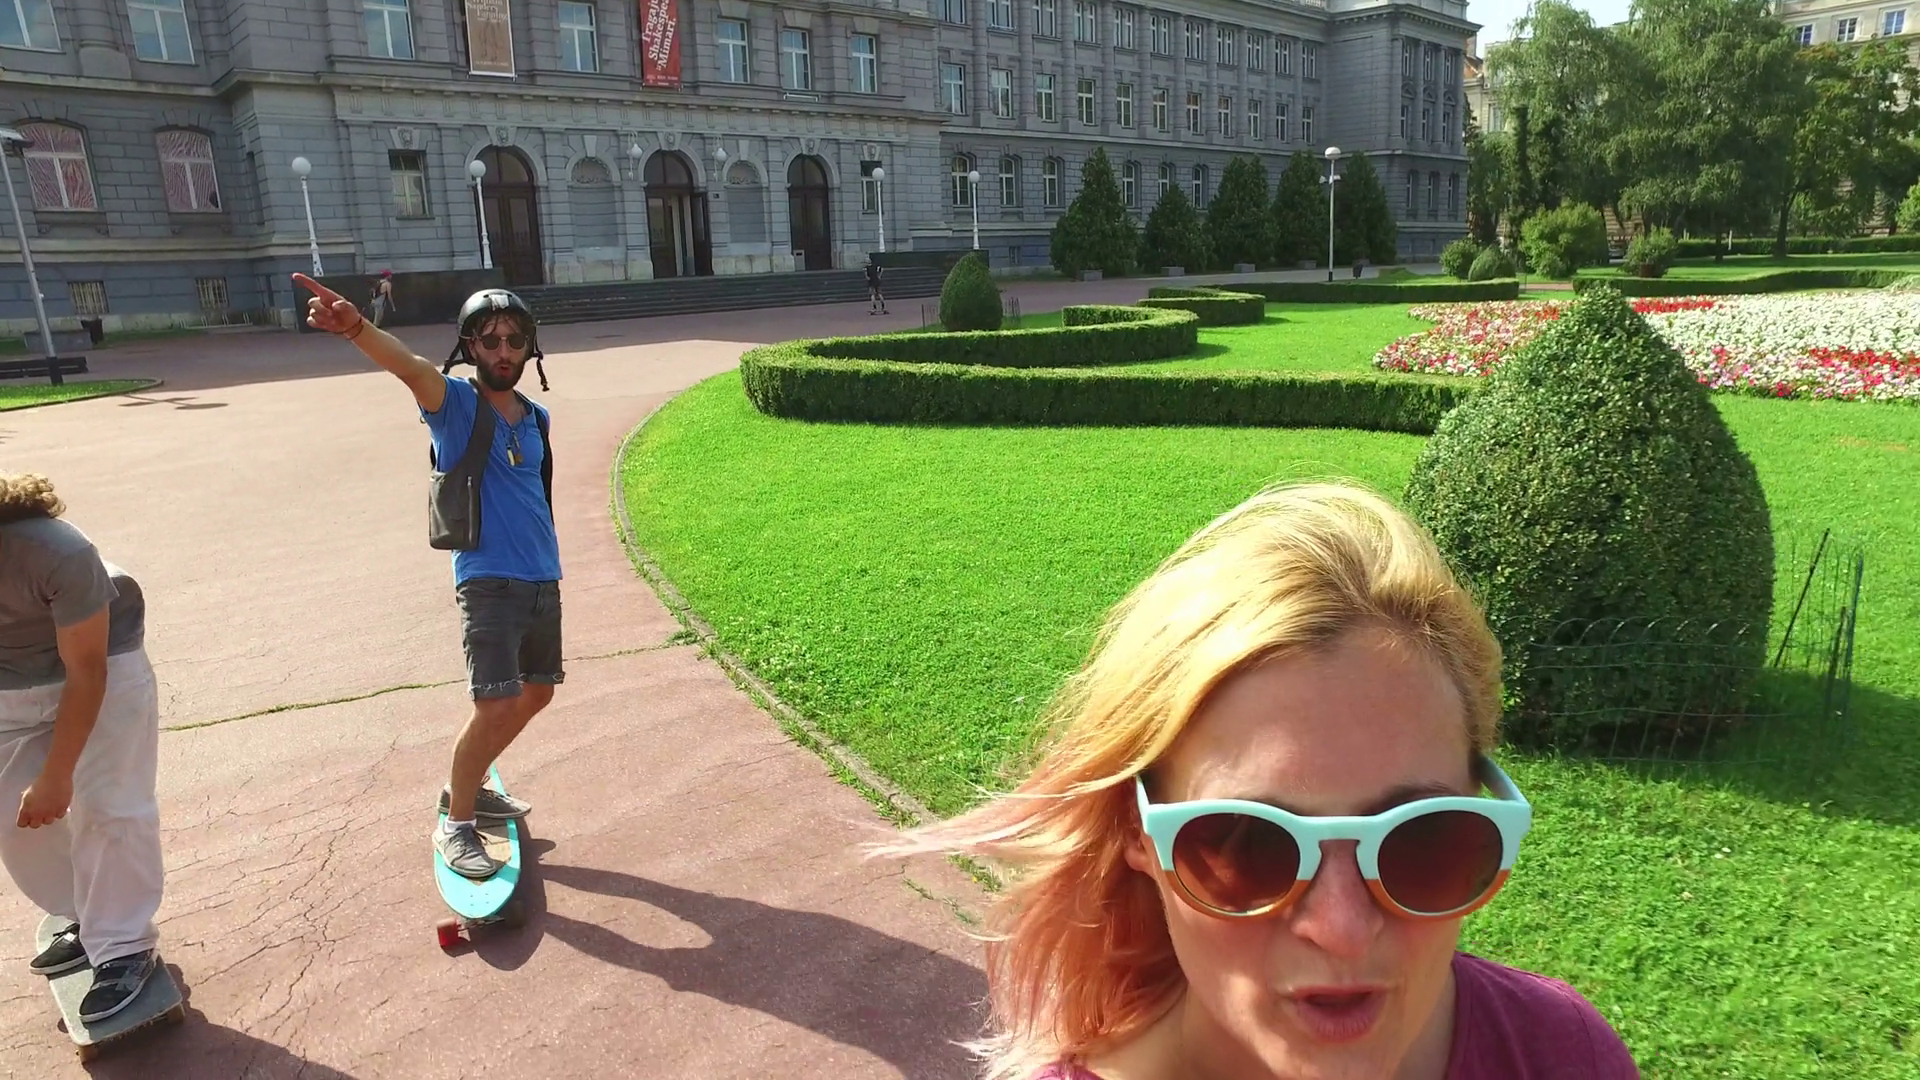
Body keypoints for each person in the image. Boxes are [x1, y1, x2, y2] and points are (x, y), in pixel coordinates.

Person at [877, 482, 1640, 1080]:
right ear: (1139, 831)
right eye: (1249, 845)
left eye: (1421, 841)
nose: (1342, 929)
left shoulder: (1560, 1052)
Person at [293, 273, 560, 881]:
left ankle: (471, 785)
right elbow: (409, 367)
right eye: (489, 340)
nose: (503, 352)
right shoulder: (455, 405)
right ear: (469, 346)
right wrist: (357, 329)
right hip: (487, 579)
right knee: (495, 702)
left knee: (538, 692)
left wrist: (551, 569)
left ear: (530, 347)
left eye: (515, 341)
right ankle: (456, 824)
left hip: (542, 576)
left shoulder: (537, 417)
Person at [0, 472, 165, 1023]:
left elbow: (88, 671)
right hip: (10, 681)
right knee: (8, 814)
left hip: (103, 666)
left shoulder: (57, 552)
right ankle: (86, 913)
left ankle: (123, 946)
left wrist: (57, 775)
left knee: (108, 806)